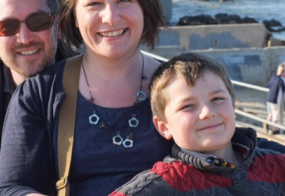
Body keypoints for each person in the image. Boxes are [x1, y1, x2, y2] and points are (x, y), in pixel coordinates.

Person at [0, 0, 173, 196]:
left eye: (124, 0)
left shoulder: (181, 85)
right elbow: (9, 189)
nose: (110, 17)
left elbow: (223, 163)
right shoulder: (38, 95)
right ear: (74, 16)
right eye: (94, 4)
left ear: (145, 7)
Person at [111, 53, 285, 195]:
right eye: (188, 106)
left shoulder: (277, 165)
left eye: (217, 99)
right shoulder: (162, 186)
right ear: (164, 127)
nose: (207, 113)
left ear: (233, 106)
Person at [0, 0, 75, 195]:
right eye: (8, 27)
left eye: (38, 21)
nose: (25, 38)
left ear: (59, 26)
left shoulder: (92, 84)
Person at [266, 63, 285, 134]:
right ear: (283, 72)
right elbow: (282, 92)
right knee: (276, 116)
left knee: (270, 114)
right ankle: (274, 130)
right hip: (276, 100)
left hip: (269, 98)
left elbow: (268, 86)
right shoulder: (282, 80)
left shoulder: (273, 77)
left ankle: (266, 127)